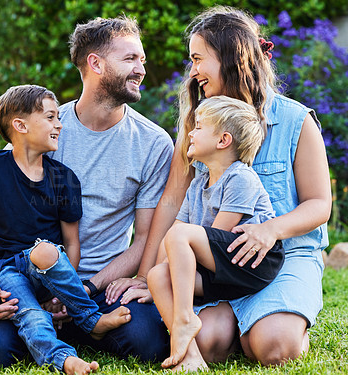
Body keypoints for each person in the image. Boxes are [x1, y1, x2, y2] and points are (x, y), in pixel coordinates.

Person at [106, 5, 331, 371]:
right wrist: (147, 276)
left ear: (229, 58)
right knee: (208, 345)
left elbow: (320, 204)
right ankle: (237, 324)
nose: (192, 71)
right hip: (218, 265)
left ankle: (275, 319)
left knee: (273, 346)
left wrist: (269, 230)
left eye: (198, 59)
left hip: (284, 258)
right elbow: (171, 204)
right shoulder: (199, 127)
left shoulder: (295, 121)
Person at [0, 16, 173, 367]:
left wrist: (84, 290)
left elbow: (144, 239)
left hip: (102, 288)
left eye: (143, 61)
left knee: (148, 341)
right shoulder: (40, 129)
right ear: (96, 63)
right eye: (131, 59)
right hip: (31, 280)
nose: (141, 70)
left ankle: (79, 325)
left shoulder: (153, 143)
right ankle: (54, 328)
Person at [0, 84, 132, 375]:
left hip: (46, 268)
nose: (59, 124)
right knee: (29, 317)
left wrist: (60, 293)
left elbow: (72, 242)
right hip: (4, 271)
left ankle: (90, 320)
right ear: (20, 125)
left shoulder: (64, 179)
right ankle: (65, 360)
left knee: (46, 251)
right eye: (51, 117)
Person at [148, 96, 285, 369]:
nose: (190, 133)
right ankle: (190, 356)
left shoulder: (240, 177)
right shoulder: (198, 184)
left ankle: (184, 319)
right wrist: (168, 268)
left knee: (179, 239)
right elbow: (175, 236)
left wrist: (178, 261)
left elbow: (213, 237)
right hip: (222, 267)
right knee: (157, 275)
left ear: (223, 140)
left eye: (199, 127)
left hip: (253, 261)